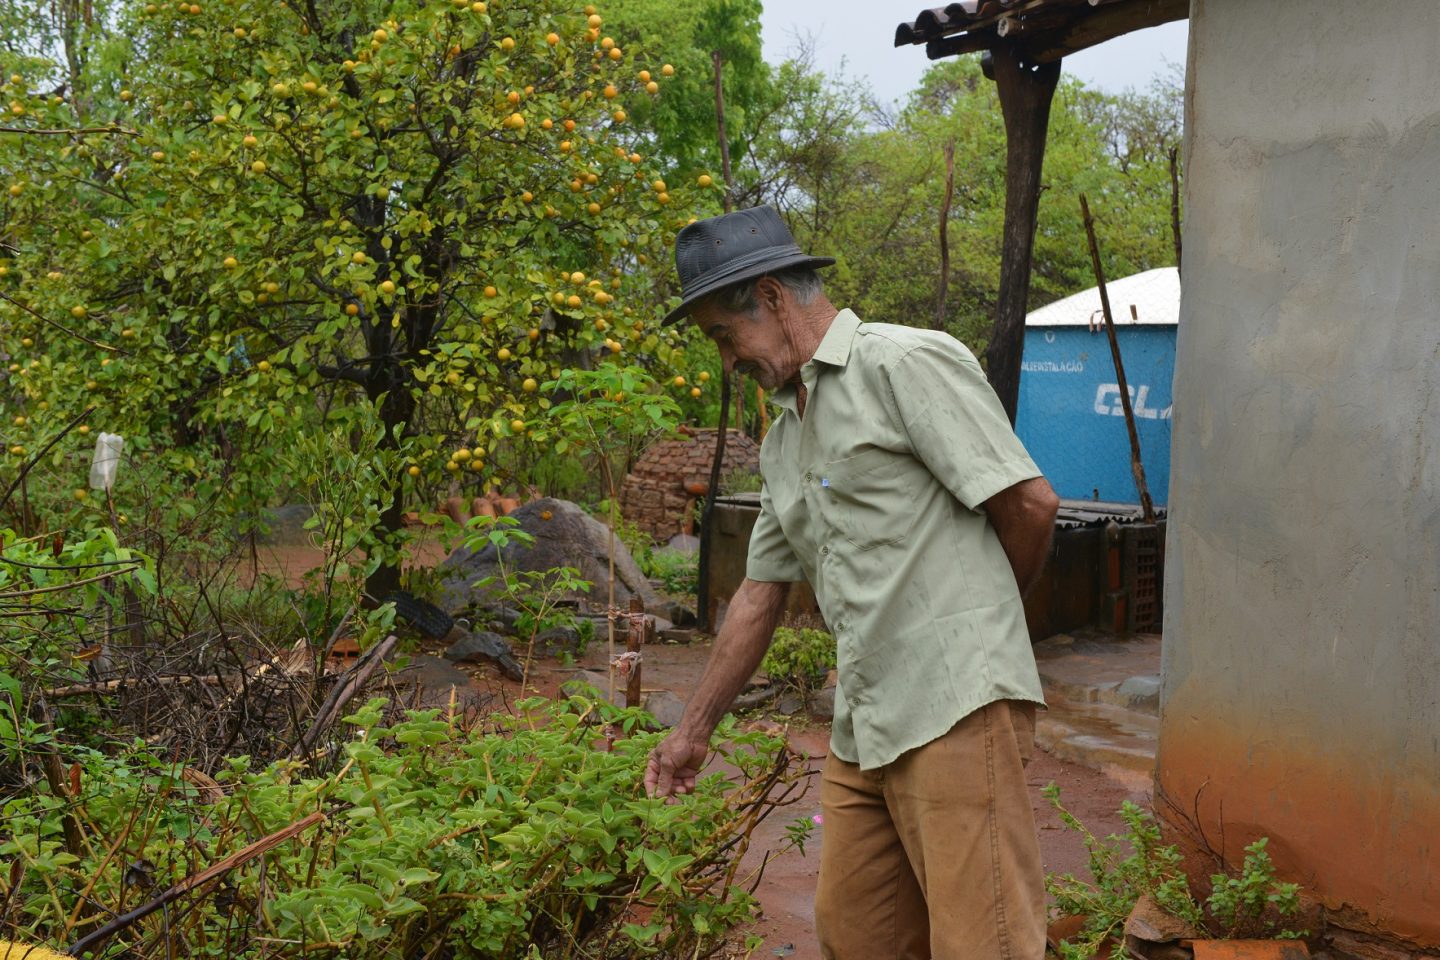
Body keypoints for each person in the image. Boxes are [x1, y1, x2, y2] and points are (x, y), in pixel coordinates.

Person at [644, 206, 1059, 960]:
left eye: (722, 337)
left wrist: (986, 625)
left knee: (984, 943)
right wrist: (692, 731)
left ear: (770, 299)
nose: (727, 360)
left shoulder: (900, 364)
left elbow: (1027, 503)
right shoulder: (784, 436)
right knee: (856, 935)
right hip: (864, 723)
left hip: (956, 705)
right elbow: (760, 594)